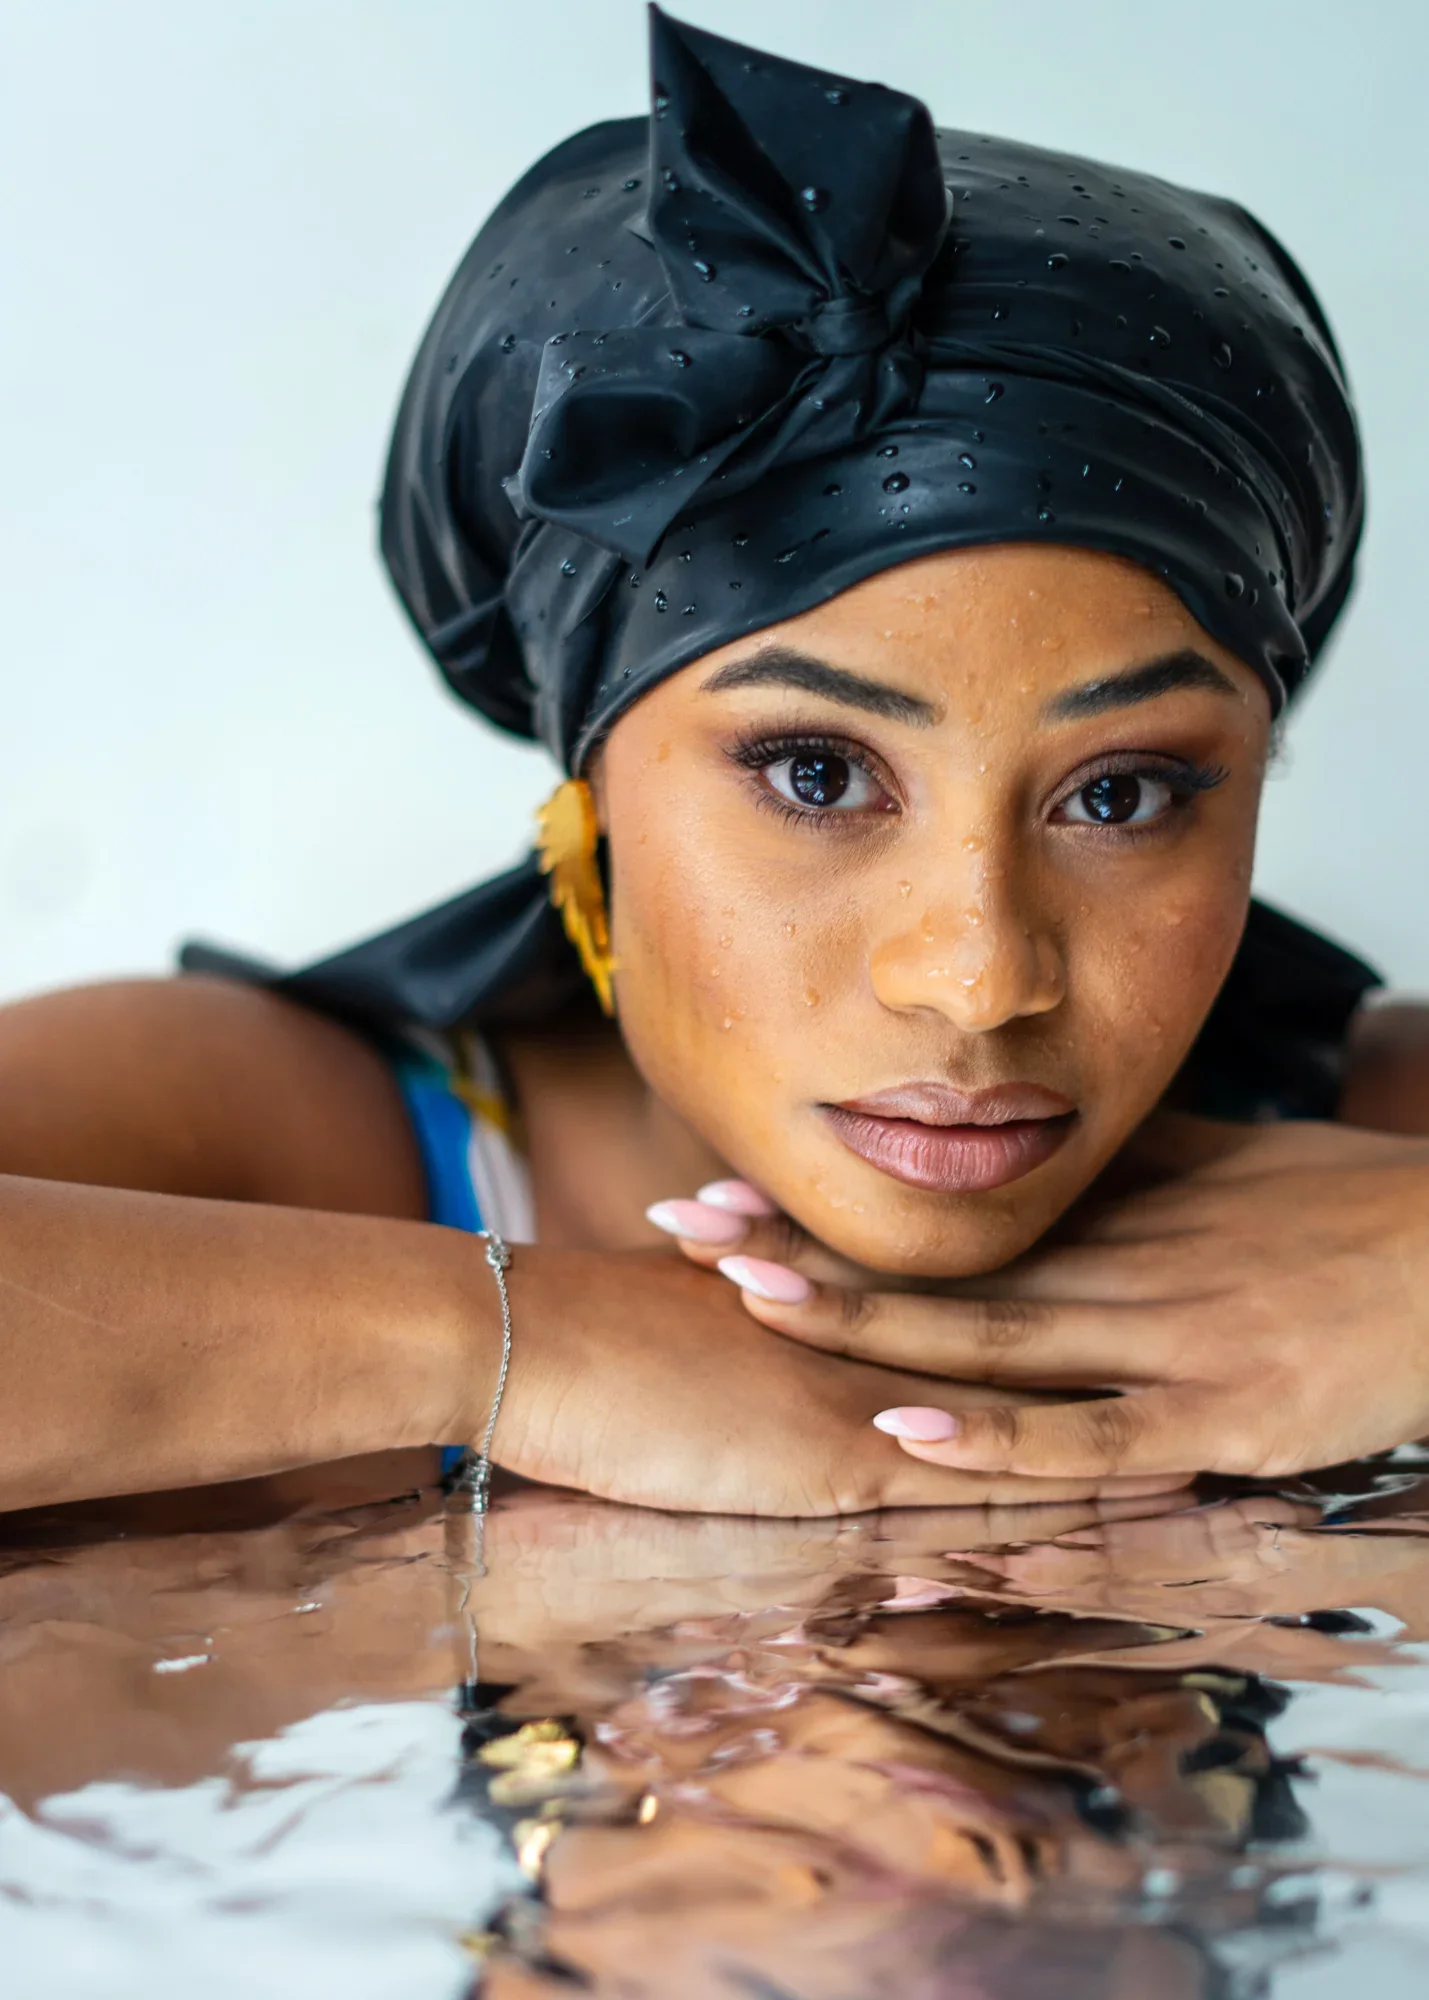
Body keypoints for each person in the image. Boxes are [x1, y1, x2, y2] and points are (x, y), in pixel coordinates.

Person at [4, 9, 1429, 1518]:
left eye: (1119, 795)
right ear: (590, 782)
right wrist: (515, 1346)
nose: (977, 978)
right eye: (817, 775)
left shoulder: (1384, 1159)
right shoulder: (276, 1149)